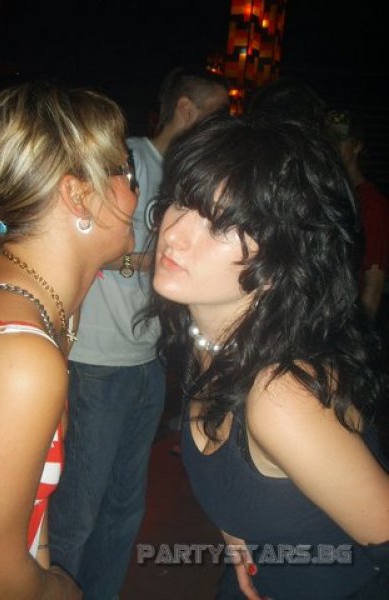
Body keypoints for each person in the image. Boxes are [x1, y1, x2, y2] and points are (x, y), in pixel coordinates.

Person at [147, 112, 389, 599]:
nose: (174, 234)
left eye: (221, 225)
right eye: (183, 201)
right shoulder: (207, 342)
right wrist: (238, 528)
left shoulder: (281, 396)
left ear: (277, 265)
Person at [0, 81, 137, 599]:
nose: (136, 193)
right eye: (126, 170)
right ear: (78, 194)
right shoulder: (15, 356)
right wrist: (62, 591)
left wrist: (43, 563)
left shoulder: (33, 310)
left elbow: (25, 507)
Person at [48, 65, 229, 599]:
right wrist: (152, 261)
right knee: (78, 514)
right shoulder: (124, 160)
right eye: (216, 112)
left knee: (125, 510)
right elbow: (79, 241)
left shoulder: (186, 176)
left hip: (146, 361)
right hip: (97, 362)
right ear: (186, 110)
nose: (224, 122)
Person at [327, 108, 389, 321]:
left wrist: (362, 334)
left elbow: (373, 284)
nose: (332, 147)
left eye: (339, 141)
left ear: (357, 146)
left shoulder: (372, 204)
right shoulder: (324, 192)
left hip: (345, 320)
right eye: (327, 140)